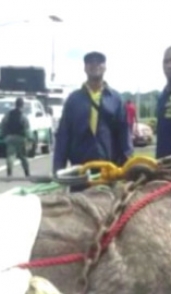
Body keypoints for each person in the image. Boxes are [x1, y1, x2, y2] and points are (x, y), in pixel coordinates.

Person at [53, 51, 132, 192]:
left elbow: (124, 135)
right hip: (80, 173)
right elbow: (63, 136)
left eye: (99, 62)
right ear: (85, 68)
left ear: (105, 67)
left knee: (109, 211)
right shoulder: (74, 99)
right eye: (90, 62)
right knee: (78, 211)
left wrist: (128, 169)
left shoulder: (116, 99)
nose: (95, 65)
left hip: (108, 172)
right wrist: (58, 169)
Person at [0, 97, 31, 177]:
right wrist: (30, 138)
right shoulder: (23, 116)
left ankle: (9, 172)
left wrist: (3, 135)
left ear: (15, 104)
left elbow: (3, 124)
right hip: (21, 138)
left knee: (10, 155)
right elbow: (27, 128)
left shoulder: (9, 114)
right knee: (23, 156)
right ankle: (27, 172)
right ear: (22, 105)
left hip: (10, 137)